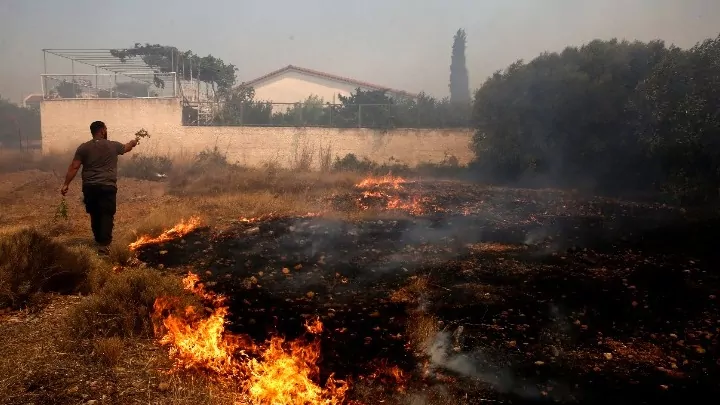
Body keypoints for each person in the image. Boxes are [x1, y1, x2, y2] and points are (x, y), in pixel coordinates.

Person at [60, 121, 139, 254]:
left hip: (90, 187)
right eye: (106, 129)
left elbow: (74, 166)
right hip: (108, 186)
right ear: (102, 131)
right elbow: (126, 148)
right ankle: (104, 245)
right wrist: (133, 142)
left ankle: (98, 239)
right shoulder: (113, 145)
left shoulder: (83, 148)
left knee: (95, 213)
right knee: (107, 214)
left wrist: (66, 184)